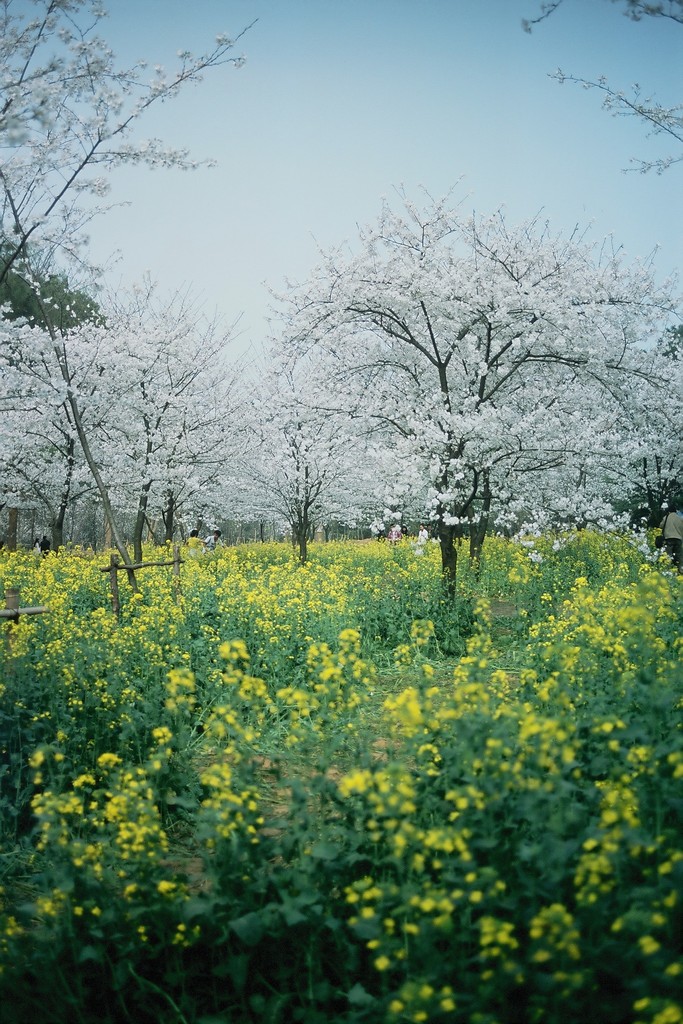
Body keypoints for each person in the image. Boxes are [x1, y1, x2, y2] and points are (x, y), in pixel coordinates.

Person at [659, 505, 683, 573]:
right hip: (678, 539)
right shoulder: (680, 518)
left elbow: (661, 526)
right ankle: (680, 570)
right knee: (679, 556)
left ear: (669, 511)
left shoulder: (666, 517)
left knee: (668, 555)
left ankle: (668, 571)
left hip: (669, 538)